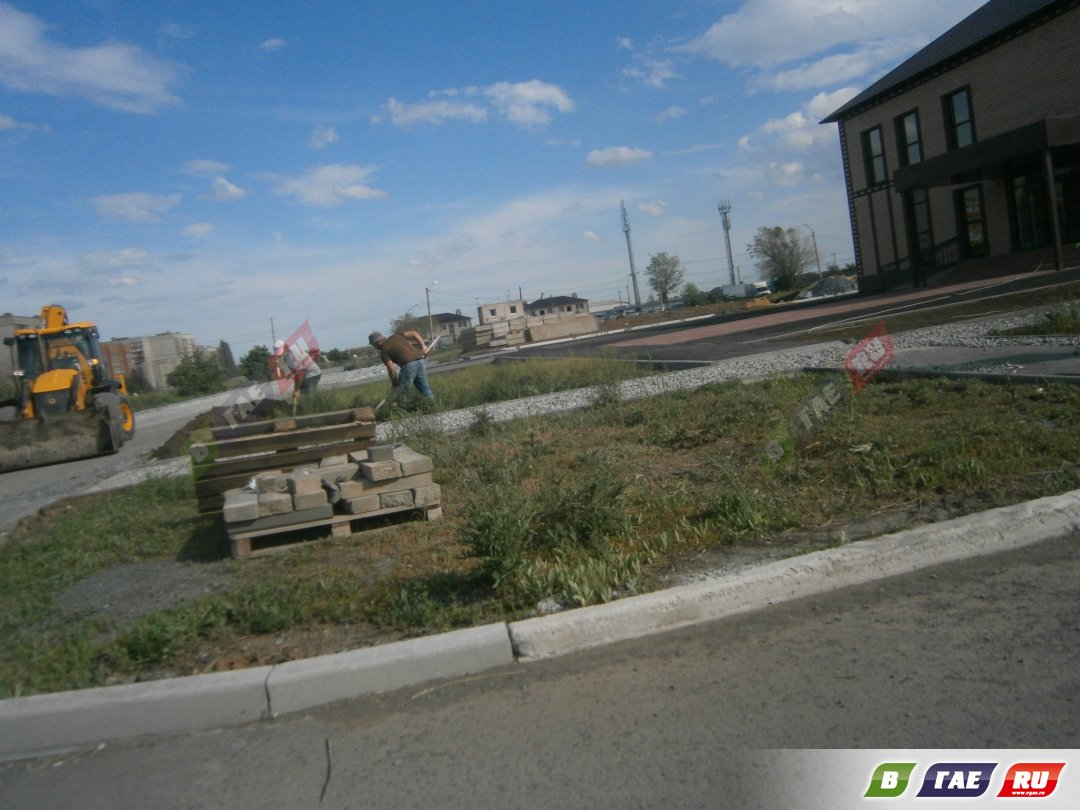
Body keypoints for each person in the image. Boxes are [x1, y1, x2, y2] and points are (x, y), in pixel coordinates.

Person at [369, 329, 434, 401]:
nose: (374, 347)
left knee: (402, 392)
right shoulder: (396, 336)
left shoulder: (384, 352)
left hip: (408, 366)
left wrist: (395, 385)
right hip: (420, 361)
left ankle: (405, 409)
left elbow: (392, 369)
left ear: (378, 342)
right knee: (424, 388)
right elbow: (414, 333)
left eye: (373, 345)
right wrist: (424, 346)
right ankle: (431, 404)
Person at [274, 339, 322, 403]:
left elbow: (300, 374)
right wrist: (297, 389)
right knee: (302, 395)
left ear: (285, 347)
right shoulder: (286, 355)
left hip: (312, 374)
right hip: (304, 374)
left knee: (308, 397)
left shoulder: (291, 355)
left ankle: (314, 408)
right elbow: (296, 374)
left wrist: (296, 390)